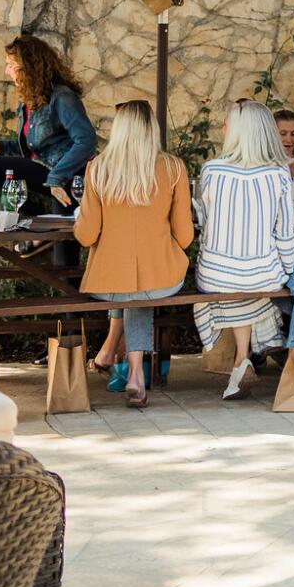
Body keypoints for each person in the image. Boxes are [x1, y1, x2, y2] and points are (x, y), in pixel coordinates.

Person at [74, 101, 192, 407]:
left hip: (108, 282)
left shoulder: (97, 168)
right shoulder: (173, 167)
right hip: (162, 276)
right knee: (140, 290)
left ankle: (111, 349)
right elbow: (185, 236)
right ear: (152, 129)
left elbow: (86, 237)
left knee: (129, 289)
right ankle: (136, 374)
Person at [192, 101, 294, 401]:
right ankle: (244, 356)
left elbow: (206, 226)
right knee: (254, 278)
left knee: (235, 277)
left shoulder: (211, 170)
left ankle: (242, 359)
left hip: (215, 273)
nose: (222, 128)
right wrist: (286, 271)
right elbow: (286, 234)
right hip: (261, 274)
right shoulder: (278, 174)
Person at [0, 35, 96, 209]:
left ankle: (38, 228)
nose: (7, 71)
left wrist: (56, 178)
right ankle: (30, 221)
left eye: (11, 65)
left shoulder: (62, 97)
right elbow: (33, 145)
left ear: (28, 68)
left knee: (62, 230)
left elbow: (86, 140)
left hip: (65, 173)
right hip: (41, 168)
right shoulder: (30, 99)